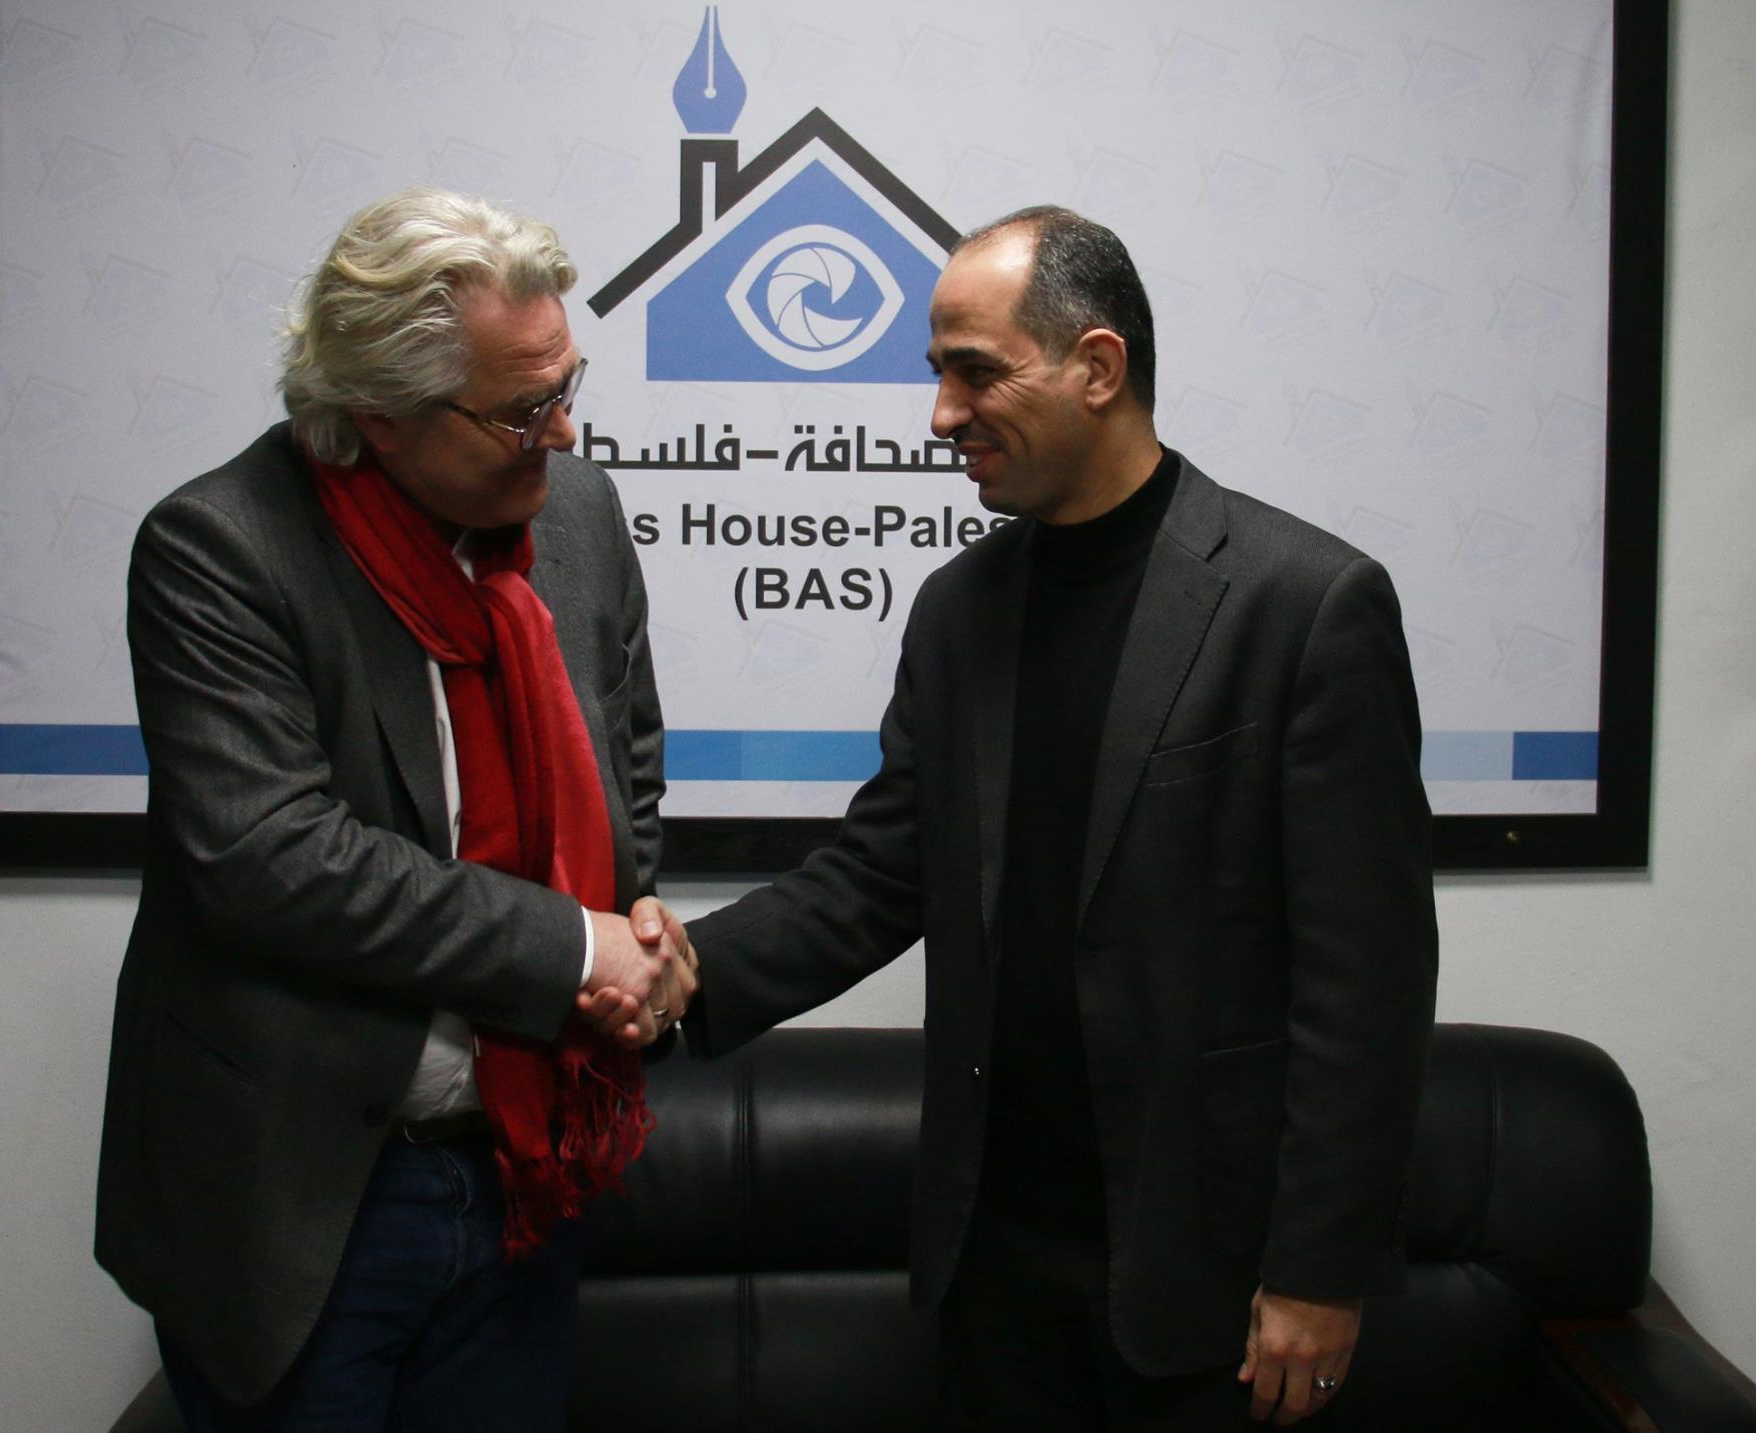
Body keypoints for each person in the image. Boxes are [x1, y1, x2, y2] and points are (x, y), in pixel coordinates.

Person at [675, 206, 1438, 1429]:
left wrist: (1318, 1268)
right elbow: (877, 876)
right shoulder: (958, 608)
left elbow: (1367, 982)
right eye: (938, 374)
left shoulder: (1303, 604)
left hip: (1213, 1278)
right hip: (992, 1261)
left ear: (1095, 366)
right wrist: (666, 977)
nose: (941, 415)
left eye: (975, 372)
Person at [95, 188, 691, 1431]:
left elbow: (627, 762)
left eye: (566, 387)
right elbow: (275, 859)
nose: (561, 431)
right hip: (310, 1190)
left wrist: (634, 925)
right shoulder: (221, 549)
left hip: (523, 1166)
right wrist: (575, 946)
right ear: (378, 413)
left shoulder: (574, 514)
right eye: (520, 411)